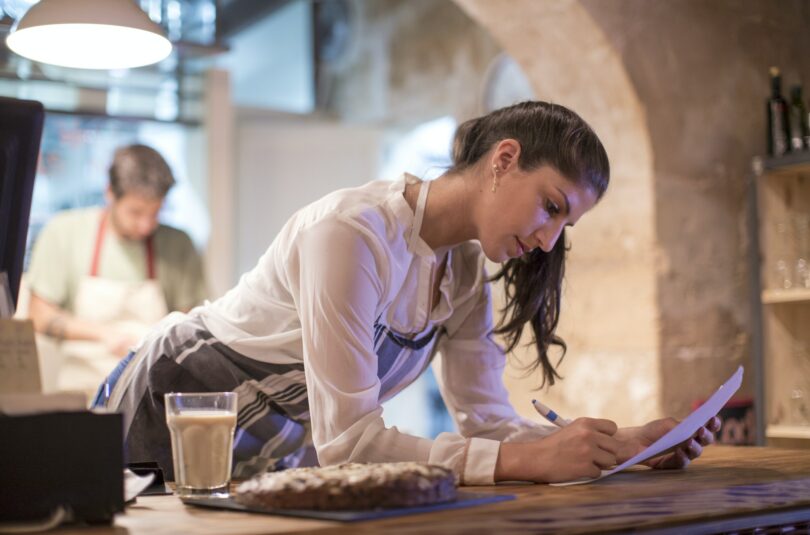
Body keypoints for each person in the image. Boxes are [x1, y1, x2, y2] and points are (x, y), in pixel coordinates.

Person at [96, 102, 720, 484]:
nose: (552, 240)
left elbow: (488, 423)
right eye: (551, 206)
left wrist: (621, 446)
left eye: (567, 225)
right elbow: (349, 446)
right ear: (504, 159)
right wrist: (532, 461)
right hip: (169, 402)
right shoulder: (352, 233)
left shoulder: (466, 272)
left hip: (264, 447)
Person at [26, 144, 207, 399]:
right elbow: (39, 315)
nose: (146, 225)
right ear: (110, 193)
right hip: (82, 395)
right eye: (135, 212)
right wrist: (105, 335)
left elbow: (194, 321)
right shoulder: (64, 233)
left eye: (155, 213)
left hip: (151, 394)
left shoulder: (178, 244)